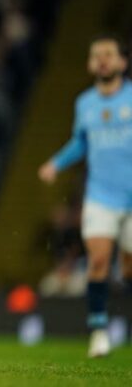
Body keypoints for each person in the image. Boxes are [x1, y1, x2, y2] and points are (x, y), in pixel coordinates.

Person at [38, 35, 132, 358]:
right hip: (100, 195)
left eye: (108, 54)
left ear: (123, 62)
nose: (102, 60)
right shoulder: (85, 103)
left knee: (129, 268)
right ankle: (99, 331)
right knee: (99, 260)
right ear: (91, 64)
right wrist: (55, 163)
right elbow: (80, 142)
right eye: (96, 55)